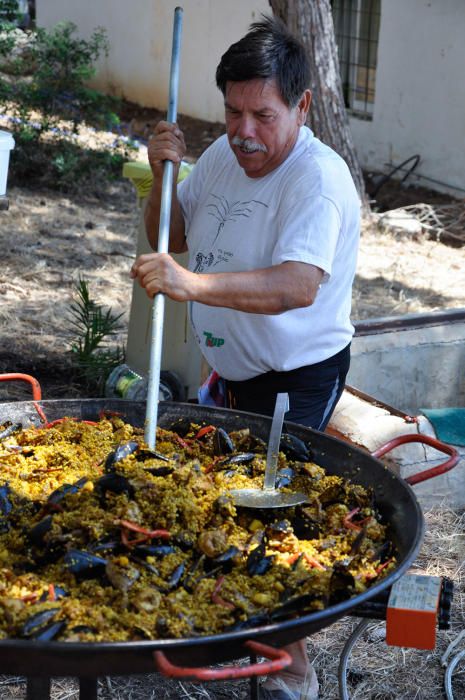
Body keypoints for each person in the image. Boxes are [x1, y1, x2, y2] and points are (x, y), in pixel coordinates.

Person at [131, 14, 360, 700]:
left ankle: (290, 672)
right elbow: (170, 233)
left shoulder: (317, 182)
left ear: (301, 106)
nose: (243, 131)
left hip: (294, 374)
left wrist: (192, 286)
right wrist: (161, 176)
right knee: (219, 504)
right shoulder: (226, 159)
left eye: (261, 114)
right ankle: (231, 635)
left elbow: (296, 284)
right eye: (231, 111)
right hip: (232, 369)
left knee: (273, 518)